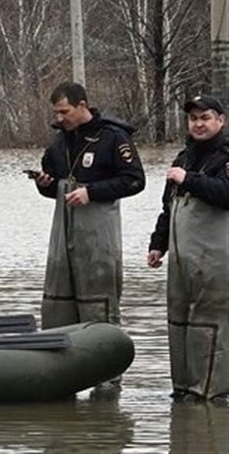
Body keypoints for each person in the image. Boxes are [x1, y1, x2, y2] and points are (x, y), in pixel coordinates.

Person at [31, 82, 145, 333]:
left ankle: (107, 368)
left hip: (98, 244)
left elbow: (135, 180)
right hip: (63, 243)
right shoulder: (58, 144)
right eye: (56, 113)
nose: (60, 118)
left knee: (98, 314)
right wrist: (44, 184)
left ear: (82, 105)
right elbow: (53, 188)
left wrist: (91, 192)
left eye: (64, 112)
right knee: (57, 311)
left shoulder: (113, 137)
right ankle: (60, 369)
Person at [146, 94, 228, 404]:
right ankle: (183, 392)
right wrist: (158, 244)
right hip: (181, 261)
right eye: (194, 118)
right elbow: (168, 208)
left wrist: (190, 179)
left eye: (205, 117)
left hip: (216, 260)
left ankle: (210, 393)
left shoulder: (225, 157)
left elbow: (226, 194)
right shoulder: (182, 158)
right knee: (178, 322)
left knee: (209, 325)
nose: (199, 123)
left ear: (221, 121)